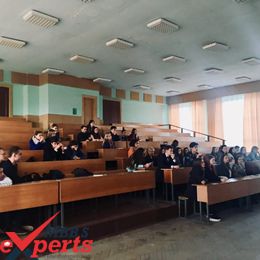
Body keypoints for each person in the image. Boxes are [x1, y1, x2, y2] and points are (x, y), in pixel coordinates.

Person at [187, 157, 223, 222]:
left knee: (211, 194)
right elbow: (201, 180)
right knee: (207, 196)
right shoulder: (196, 170)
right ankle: (209, 214)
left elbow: (205, 179)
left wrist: (205, 180)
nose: (204, 163)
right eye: (202, 162)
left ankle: (211, 213)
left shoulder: (202, 169)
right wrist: (204, 180)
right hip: (194, 190)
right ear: (198, 163)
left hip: (199, 188)